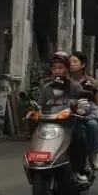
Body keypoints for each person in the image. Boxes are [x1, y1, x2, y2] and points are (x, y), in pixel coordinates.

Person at [35, 51, 90, 184]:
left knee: (80, 138)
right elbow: (39, 104)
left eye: (60, 68)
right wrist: (33, 111)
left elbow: (84, 103)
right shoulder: (47, 88)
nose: (57, 71)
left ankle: (80, 170)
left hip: (69, 124)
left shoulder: (75, 86)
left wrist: (81, 109)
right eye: (54, 68)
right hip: (48, 124)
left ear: (67, 69)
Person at [69, 51, 98, 169]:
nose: (71, 64)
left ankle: (93, 157)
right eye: (70, 61)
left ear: (83, 64)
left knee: (93, 125)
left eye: (75, 61)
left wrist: (88, 107)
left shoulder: (91, 83)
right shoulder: (64, 81)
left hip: (85, 116)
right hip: (66, 114)